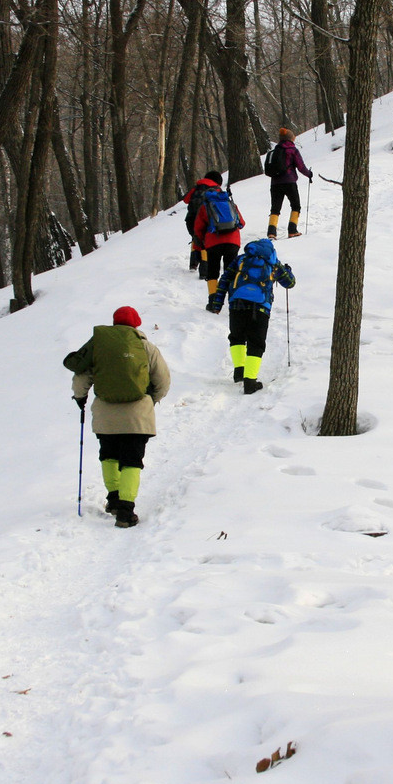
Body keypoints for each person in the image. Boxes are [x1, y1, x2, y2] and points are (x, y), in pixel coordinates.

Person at [63, 306, 171, 527]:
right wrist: (151, 399)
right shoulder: (146, 347)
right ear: (136, 324)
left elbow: (81, 376)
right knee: (132, 461)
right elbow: (163, 380)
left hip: (106, 414)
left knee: (109, 456)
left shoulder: (100, 347)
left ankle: (113, 499)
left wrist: (80, 398)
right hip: (137, 416)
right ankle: (125, 510)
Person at [207, 238, 295, 394]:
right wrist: (288, 271)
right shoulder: (273, 262)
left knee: (237, 337)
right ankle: (250, 381)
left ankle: (239, 371)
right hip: (261, 307)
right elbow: (290, 283)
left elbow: (225, 279)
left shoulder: (241, 259)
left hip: (236, 304)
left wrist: (217, 303)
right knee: (256, 343)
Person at [190, 173, 244, 308]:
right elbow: (242, 223)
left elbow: (198, 228)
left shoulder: (205, 206)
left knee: (213, 271)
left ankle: (214, 301)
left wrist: (201, 242)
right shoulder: (230, 203)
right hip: (233, 242)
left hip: (213, 243)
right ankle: (233, 299)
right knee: (230, 270)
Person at [264, 128, 312, 239]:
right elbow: (301, 167)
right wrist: (309, 174)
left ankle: (271, 232)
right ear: (291, 139)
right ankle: (292, 230)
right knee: (296, 206)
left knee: (275, 208)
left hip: (275, 183)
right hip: (289, 181)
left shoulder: (275, 151)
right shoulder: (292, 150)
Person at [181, 170, 224, 270]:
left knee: (196, 237)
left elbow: (186, 200)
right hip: (208, 220)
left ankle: (193, 263)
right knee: (205, 241)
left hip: (191, 220)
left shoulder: (196, 187)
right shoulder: (216, 190)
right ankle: (204, 268)